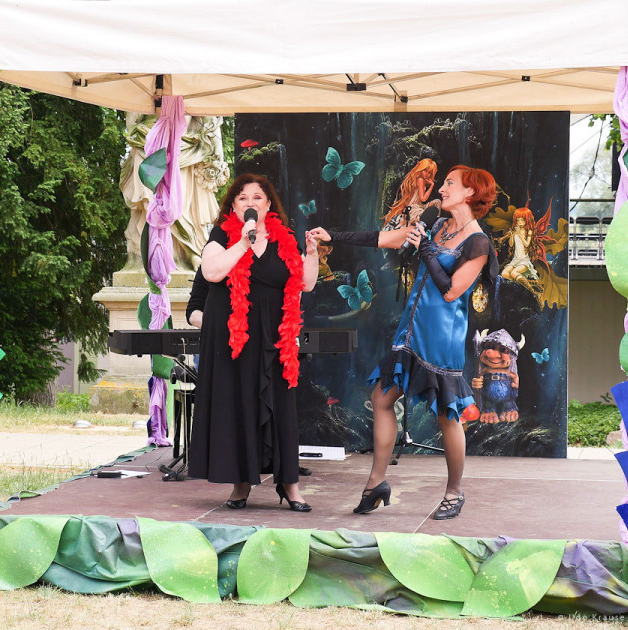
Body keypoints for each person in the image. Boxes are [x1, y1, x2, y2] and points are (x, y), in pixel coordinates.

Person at [309, 164, 498, 520]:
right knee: (381, 398)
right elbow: (384, 238)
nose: (442, 188)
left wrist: (425, 248)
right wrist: (333, 236)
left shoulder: (478, 242)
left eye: (450, 183)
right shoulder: (437, 225)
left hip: (440, 339)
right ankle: (376, 483)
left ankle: (454, 492)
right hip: (410, 331)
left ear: (470, 192)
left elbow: (451, 291)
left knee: (447, 415)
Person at [187, 173, 319, 511]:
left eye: (257, 197)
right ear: (233, 206)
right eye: (243, 198)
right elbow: (212, 272)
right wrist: (244, 242)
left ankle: (290, 486)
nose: (250, 202)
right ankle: (241, 484)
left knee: (281, 409)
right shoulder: (221, 236)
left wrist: (312, 253)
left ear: (269, 204)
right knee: (240, 407)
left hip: (275, 339)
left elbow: (305, 283)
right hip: (237, 341)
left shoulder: (284, 239)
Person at [381, 158, 439, 231]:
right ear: (420, 169)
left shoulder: (418, 179)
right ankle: (433, 229)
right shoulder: (420, 180)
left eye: (430, 172)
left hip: (419, 206)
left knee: (437, 202)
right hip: (413, 208)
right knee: (434, 207)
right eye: (425, 170)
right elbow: (423, 198)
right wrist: (432, 185)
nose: (427, 174)